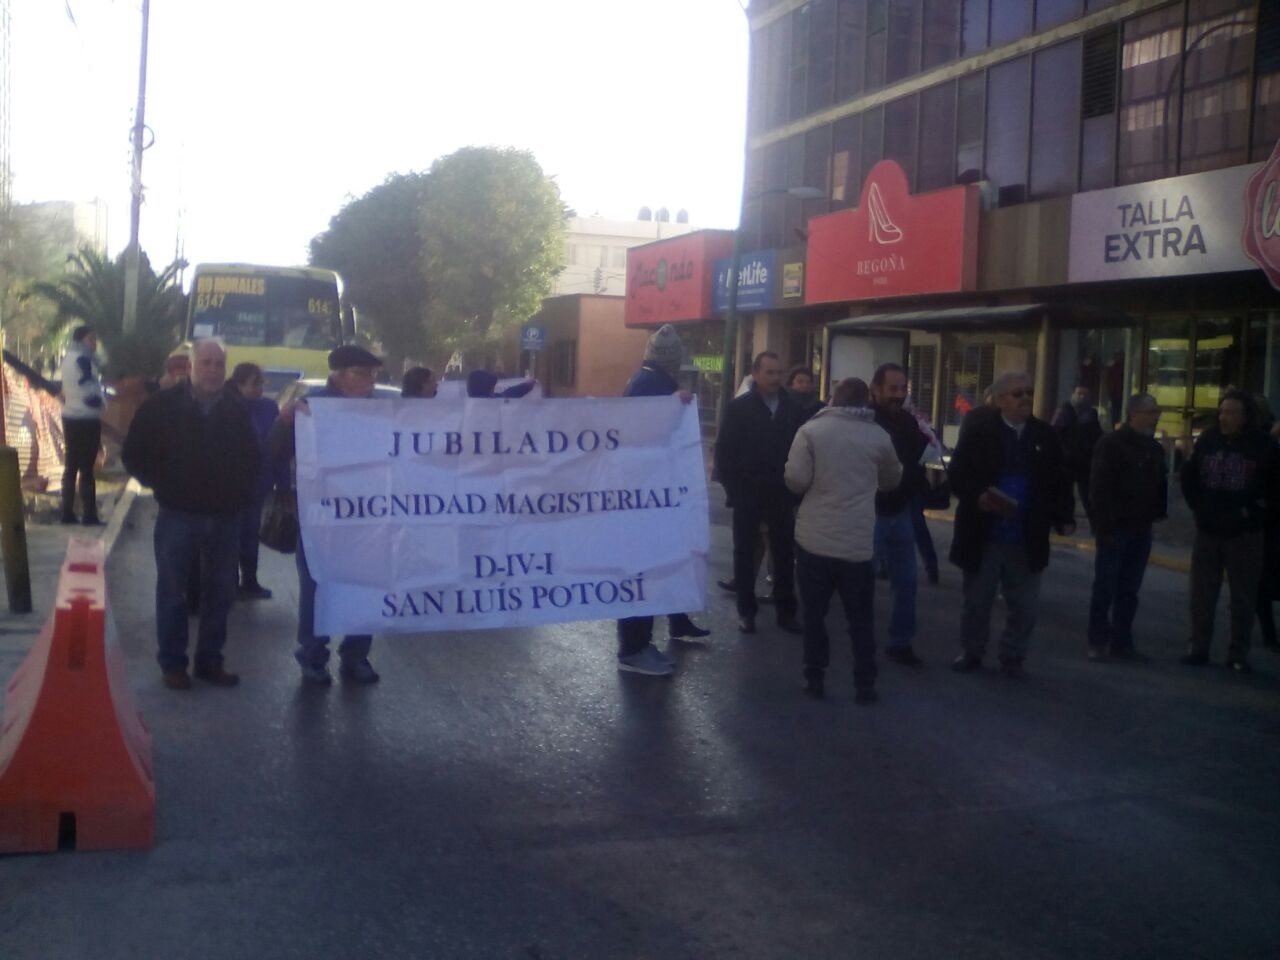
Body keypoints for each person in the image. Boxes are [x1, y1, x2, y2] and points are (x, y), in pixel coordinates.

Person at [122, 339, 260, 690]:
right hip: (178, 515)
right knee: (173, 590)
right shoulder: (161, 406)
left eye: (219, 364)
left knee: (221, 592)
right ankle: (173, 664)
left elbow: (252, 459)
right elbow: (133, 453)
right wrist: (162, 485)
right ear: (191, 366)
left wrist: (240, 496)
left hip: (225, 517)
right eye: (206, 363)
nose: (213, 370)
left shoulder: (236, 409)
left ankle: (210, 661)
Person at [271, 345, 385, 686]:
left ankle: (356, 655)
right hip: (321, 516)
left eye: (373, 374)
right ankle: (313, 656)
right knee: (317, 587)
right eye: (364, 374)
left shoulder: (382, 409)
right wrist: (284, 422)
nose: (371, 381)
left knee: (365, 585)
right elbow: (275, 451)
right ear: (340, 375)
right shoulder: (311, 407)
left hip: (368, 516)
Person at [948, 371, 1075, 678]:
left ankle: (1013, 656)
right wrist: (978, 497)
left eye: (1029, 393)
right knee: (978, 601)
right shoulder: (979, 432)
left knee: (1025, 605)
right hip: (984, 534)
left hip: (1026, 535)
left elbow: (1060, 480)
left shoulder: (1044, 435)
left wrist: (1064, 516)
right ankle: (972, 651)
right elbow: (958, 475)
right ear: (1000, 400)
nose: (1026, 399)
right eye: (1018, 394)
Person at [785, 377, 901, 702]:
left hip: (814, 539)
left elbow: (796, 480)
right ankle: (865, 683)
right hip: (857, 544)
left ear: (833, 399)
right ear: (866, 401)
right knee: (860, 618)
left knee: (814, 615)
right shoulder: (879, 436)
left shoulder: (811, 431)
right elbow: (892, 480)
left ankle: (814, 676)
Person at [615, 324, 708, 675]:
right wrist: (671, 407)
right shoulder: (651, 385)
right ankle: (633, 648)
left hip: (649, 494)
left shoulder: (646, 380)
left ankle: (642, 641)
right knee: (642, 570)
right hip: (645, 497)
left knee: (651, 568)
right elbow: (642, 434)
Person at [1179, 389, 1280, 674]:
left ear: (1246, 416)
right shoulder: (1208, 440)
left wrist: (1252, 512)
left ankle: (1238, 654)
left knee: (1243, 597)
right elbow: (1189, 476)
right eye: (1222, 412)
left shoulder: (1264, 446)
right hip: (1209, 530)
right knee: (1202, 594)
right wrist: (1199, 508)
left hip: (1245, 534)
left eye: (1232, 413)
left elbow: (1275, 489)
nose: (1225, 418)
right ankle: (1198, 648)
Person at [714, 351, 802, 635]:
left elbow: (801, 451)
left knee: (784, 555)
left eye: (779, 372)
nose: (775, 378)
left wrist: (795, 492)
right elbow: (724, 453)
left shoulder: (792, 408)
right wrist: (735, 491)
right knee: (744, 554)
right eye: (769, 372)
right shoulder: (739, 408)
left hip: (782, 494)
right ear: (755, 373)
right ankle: (746, 612)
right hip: (748, 494)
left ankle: (786, 613)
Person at [1085, 394, 1167, 663]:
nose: (1155, 416)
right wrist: (1104, 525)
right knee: (1106, 586)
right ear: (1134, 413)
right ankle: (1097, 640)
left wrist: (1157, 511)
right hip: (1115, 526)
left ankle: (1122, 641)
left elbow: (1158, 483)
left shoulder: (1153, 448)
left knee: (1129, 588)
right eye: (1150, 411)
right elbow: (1099, 487)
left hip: (1141, 526)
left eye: (1156, 411)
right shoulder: (1111, 444)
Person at [870, 363, 928, 667]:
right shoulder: (865, 421)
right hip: (870, 513)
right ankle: (861, 638)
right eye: (892, 388)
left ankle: (900, 641)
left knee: (906, 582)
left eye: (902, 388)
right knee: (862, 582)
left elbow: (915, 460)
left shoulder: (908, 422)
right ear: (876, 389)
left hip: (901, 510)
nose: (898, 394)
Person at [226, 362, 285, 600]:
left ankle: (249, 581)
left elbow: (279, 448)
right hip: (230, 486)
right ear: (239, 385)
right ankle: (229, 584)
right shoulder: (226, 406)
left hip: (258, 485)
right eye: (254, 384)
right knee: (230, 537)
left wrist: (283, 485)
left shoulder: (269, 408)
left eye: (262, 383)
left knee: (250, 535)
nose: (259, 389)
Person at [59, 325, 104, 525]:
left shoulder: (68, 358)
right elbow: (89, 391)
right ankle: (89, 515)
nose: (94, 343)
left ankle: (67, 513)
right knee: (86, 468)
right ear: (80, 341)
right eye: (91, 339)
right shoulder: (83, 360)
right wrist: (102, 402)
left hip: (70, 416)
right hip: (86, 418)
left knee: (71, 466)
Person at [1052, 384, 1104, 522]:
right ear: (1073, 395)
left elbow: (1098, 434)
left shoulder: (1091, 413)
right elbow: (1054, 432)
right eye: (1079, 394)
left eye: (1085, 394)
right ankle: (1065, 520)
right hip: (1067, 459)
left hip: (1085, 461)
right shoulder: (1064, 411)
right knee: (1065, 493)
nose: (1082, 397)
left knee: (1088, 494)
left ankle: (1095, 522)